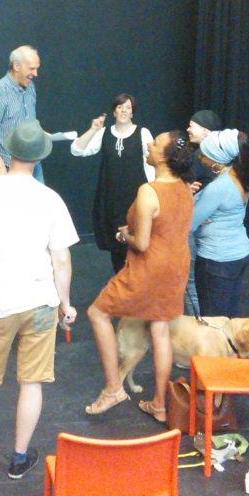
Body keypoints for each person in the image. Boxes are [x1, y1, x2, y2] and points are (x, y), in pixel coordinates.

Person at [0, 120, 79, 480]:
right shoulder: (49, 199)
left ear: (10, 151)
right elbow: (61, 259)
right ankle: (19, 458)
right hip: (40, 304)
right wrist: (65, 304)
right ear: (39, 157)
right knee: (32, 381)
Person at [85, 131, 195, 424]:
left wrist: (125, 234)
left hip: (149, 269)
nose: (148, 144)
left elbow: (143, 243)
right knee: (159, 331)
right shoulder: (184, 187)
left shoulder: (149, 191)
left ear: (164, 156)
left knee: (97, 313)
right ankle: (160, 405)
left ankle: (113, 389)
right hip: (176, 267)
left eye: (155, 143)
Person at [71, 93, 155, 273]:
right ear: (114, 111)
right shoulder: (104, 133)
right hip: (110, 199)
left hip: (135, 198)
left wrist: (154, 192)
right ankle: (121, 284)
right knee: (116, 245)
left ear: (133, 113)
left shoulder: (143, 133)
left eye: (128, 108)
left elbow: (152, 166)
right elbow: (77, 150)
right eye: (120, 107)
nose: (124, 111)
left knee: (136, 243)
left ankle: (135, 286)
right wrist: (93, 129)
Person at [192, 129, 249, 318]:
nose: (201, 158)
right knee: (228, 317)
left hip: (216, 260)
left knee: (213, 323)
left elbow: (188, 223)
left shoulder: (218, 187)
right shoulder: (239, 177)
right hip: (238, 254)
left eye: (204, 155)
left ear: (215, 160)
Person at [0, 45, 45, 182]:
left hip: (33, 164)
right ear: (16, 66)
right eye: (31, 68)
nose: (35, 74)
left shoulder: (30, 87)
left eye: (37, 68)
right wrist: (1, 168)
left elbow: (29, 123)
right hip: (8, 167)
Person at [185, 109, 221, 316]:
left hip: (199, 227)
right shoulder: (200, 156)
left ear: (206, 130)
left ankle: (198, 326)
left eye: (192, 125)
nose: (188, 128)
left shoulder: (205, 159)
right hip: (200, 225)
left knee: (192, 282)